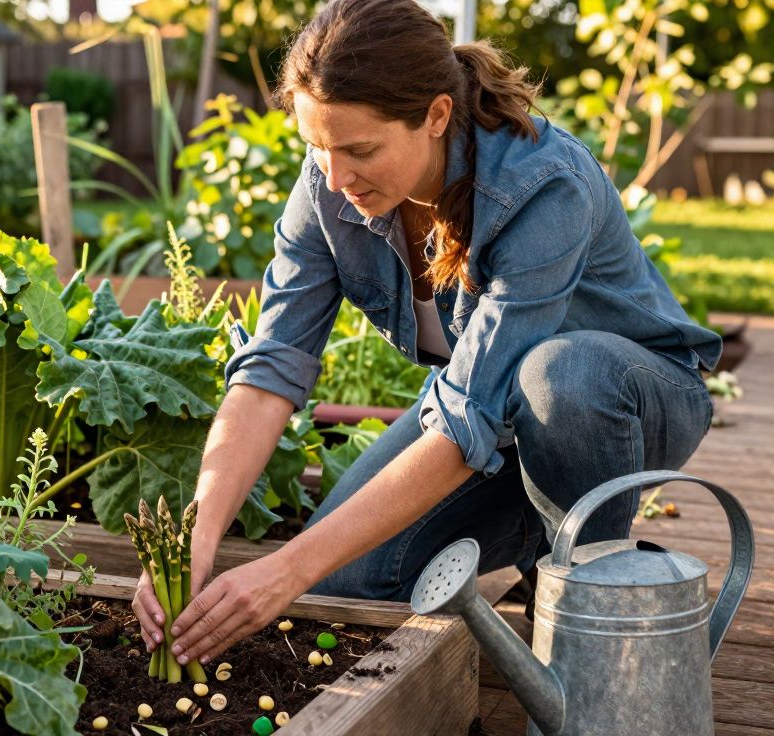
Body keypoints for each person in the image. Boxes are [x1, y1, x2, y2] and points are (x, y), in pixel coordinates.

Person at [132, 0, 721, 670]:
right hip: (496, 422)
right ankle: (539, 540)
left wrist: (282, 569)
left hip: (627, 404)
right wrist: (196, 535)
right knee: (340, 581)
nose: (335, 178)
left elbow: (468, 411)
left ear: (437, 116)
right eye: (316, 148)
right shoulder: (329, 187)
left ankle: (591, 588)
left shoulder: (542, 186)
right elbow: (271, 368)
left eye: (360, 150)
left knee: (562, 375)